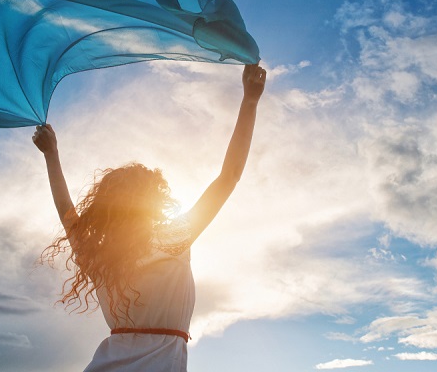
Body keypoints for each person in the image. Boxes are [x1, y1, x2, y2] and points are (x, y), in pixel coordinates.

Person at [32, 64, 266, 371]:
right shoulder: (172, 239)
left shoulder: (100, 258)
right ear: (154, 202)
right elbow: (228, 178)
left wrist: (52, 155)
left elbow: (67, 214)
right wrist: (250, 101)